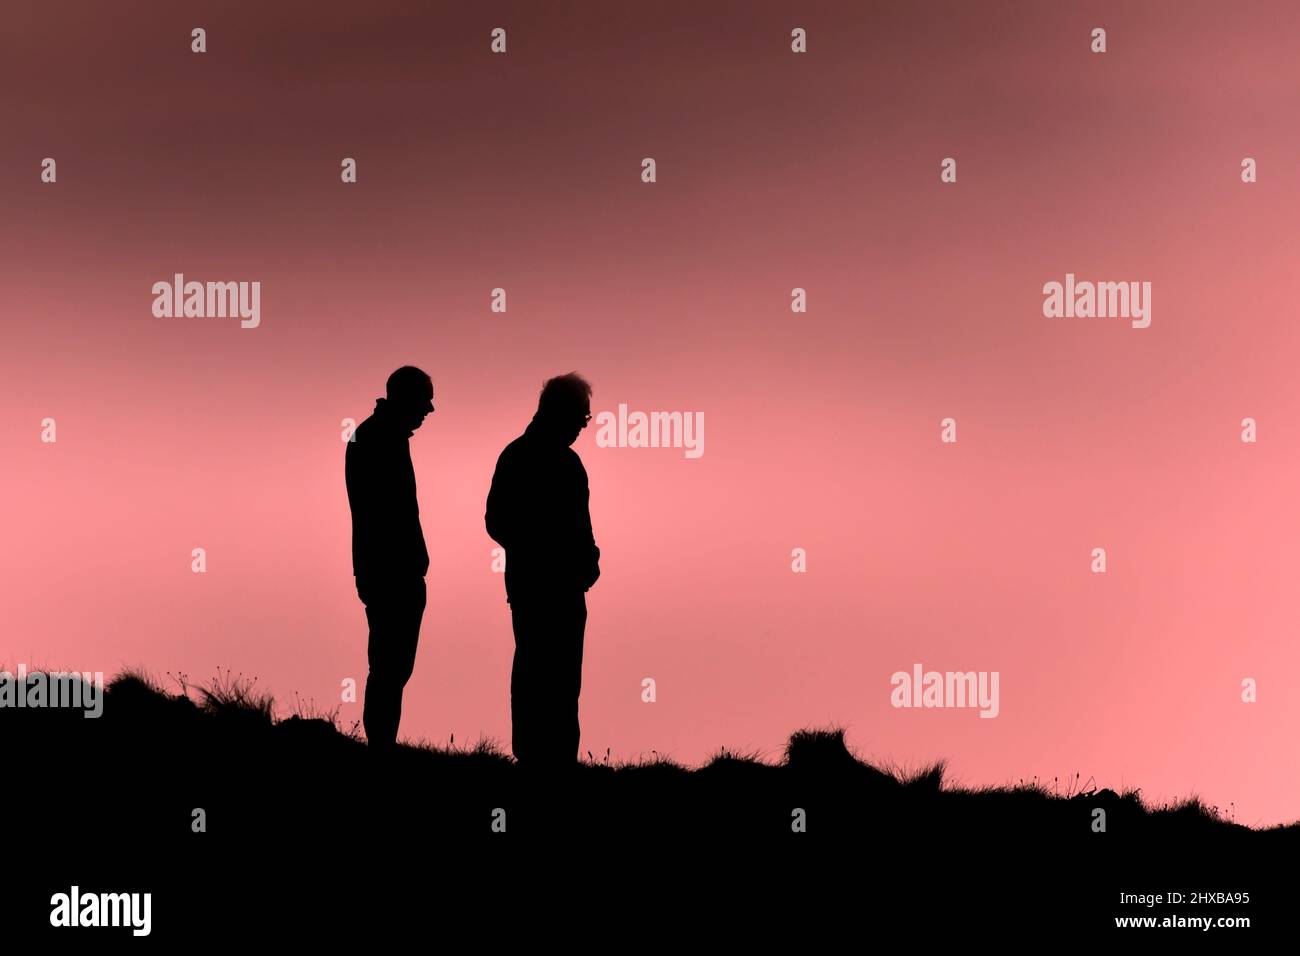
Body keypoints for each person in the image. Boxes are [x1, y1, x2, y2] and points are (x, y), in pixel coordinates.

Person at [486, 372, 601, 769]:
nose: (582, 428)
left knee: (564, 677)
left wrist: (590, 558)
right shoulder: (520, 456)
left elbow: (580, 525)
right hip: (538, 587)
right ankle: (535, 758)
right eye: (580, 419)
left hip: (565, 587)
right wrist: (546, 551)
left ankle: (558, 760)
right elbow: (496, 520)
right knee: (539, 671)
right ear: (559, 412)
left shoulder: (567, 462)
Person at [345, 366, 435, 751]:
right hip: (389, 572)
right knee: (388, 666)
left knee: (392, 666)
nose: (430, 409)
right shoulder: (377, 439)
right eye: (424, 399)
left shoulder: (382, 436)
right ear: (405, 398)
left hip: (390, 570)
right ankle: (380, 748)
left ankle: (382, 745)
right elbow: (383, 514)